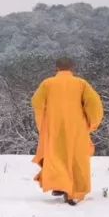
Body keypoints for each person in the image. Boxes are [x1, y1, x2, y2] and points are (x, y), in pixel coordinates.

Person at [31, 57, 104, 205]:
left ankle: (61, 186)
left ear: (56, 68)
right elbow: (95, 104)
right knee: (76, 160)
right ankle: (73, 192)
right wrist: (92, 123)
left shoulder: (47, 84)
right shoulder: (81, 84)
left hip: (54, 128)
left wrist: (43, 123)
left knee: (57, 158)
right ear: (72, 68)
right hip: (77, 128)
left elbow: (36, 103)